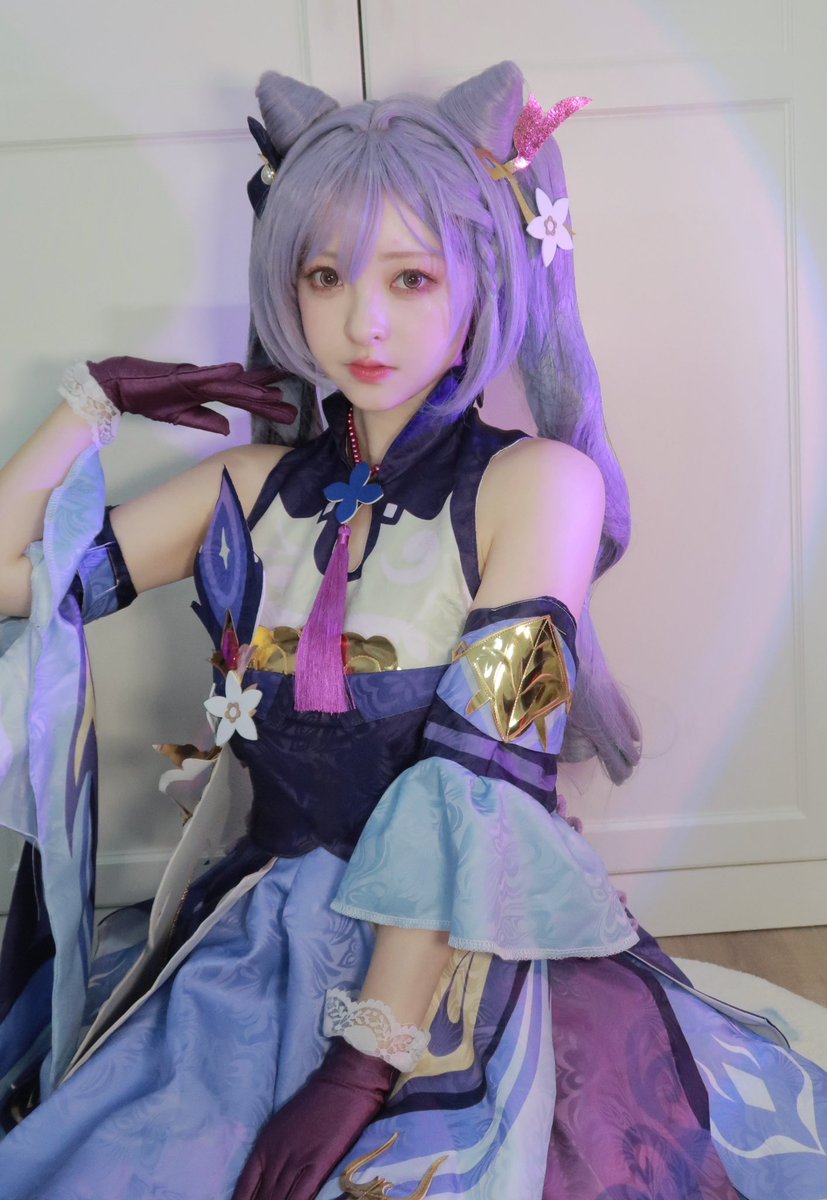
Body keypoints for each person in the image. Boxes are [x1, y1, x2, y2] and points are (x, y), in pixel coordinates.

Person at [0, 60, 825, 1200]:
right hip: (260, 939)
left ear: (482, 282)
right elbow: (15, 586)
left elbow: (486, 771)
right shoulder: (244, 486)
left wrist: (364, 1059)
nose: (365, 321)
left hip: (462, 951)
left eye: (412, 275)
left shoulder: (545, 486)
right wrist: (93, 400)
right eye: (325, 274)